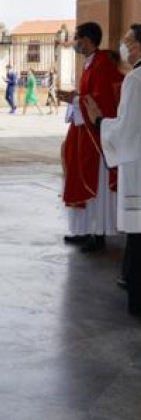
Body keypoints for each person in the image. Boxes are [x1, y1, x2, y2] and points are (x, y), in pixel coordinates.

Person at [85, 24, 141, 315]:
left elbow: (126, 129)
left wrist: (98, 121)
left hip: (138, 164)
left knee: (138, 232)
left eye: (128, 42)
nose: (124, 47)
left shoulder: (135, 79)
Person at [59, 21, 124, 253]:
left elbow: (102, 98)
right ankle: (84, 230)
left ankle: (98, 233)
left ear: (87, 39)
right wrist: (75, 98)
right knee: (81, 177)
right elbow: (88, 96)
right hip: (83, 131)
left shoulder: (103, 63)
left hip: (95, 136)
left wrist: (75, 99)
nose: (75, 43)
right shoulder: (89, 63)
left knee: (96, 183)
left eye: (77, 38)